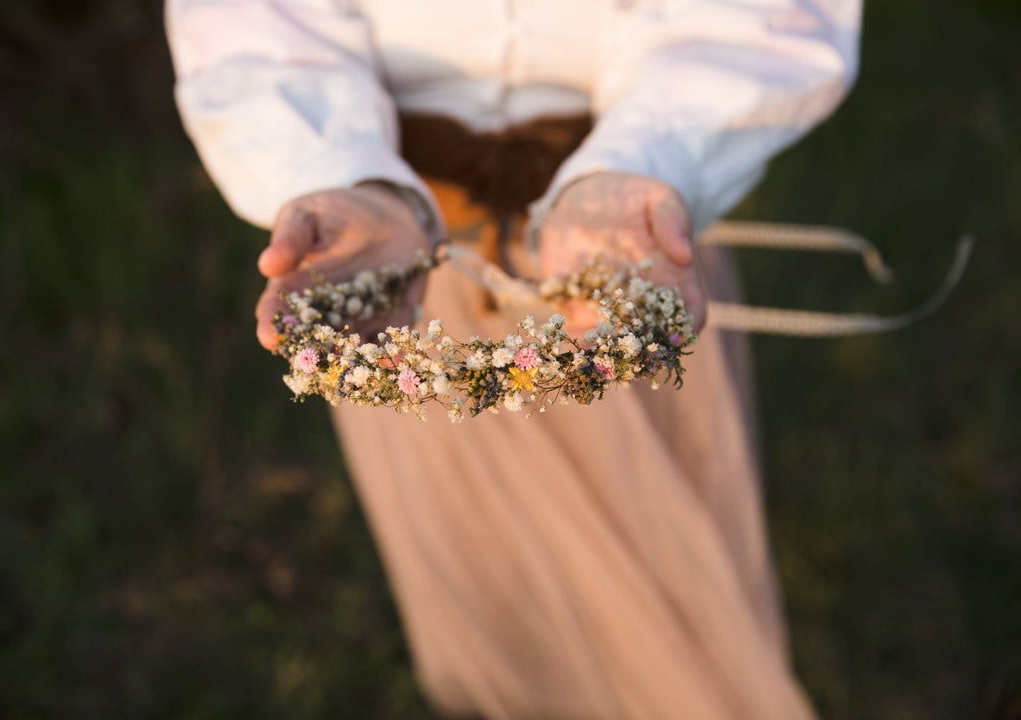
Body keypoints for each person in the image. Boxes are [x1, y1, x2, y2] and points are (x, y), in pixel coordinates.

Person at [166, 1, 861, 718]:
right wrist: (342, 172)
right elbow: (259, 27)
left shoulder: (633, 244)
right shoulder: (378, 297)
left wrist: (647, 157)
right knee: (489, 591)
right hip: (397, 272)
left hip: (627, 247)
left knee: (671, 592)